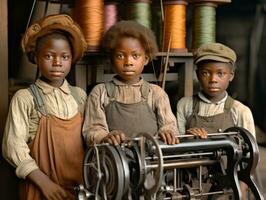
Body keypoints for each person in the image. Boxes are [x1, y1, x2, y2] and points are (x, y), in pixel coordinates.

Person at [2, 14, 87, 200]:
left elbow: (90, 137)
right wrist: (43, 182)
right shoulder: (25, 98)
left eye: (64, 56)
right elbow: (12, 147)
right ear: (36, 58)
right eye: (49, 56)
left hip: (78, 189)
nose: (57, 62)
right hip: (41, 189)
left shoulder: (79, 96)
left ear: (72, 59)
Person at [176, 42, 256, 199]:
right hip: (191, 184)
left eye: (220, 74)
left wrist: (242, 189)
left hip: (228, 187)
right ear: (197, 74)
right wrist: (187, 136)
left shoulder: (240, 111)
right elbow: (175, 146)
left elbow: (251, 157)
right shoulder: (185, 105)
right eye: (206, 73)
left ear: (231, 75)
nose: (213, 79)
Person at [82, 20, 179, 146]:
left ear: (146, 59)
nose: (128, 62)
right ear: (111, 60)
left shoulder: (156, 93)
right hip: (114, 163)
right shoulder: (100, 92)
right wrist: (105, 137)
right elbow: (92, 130)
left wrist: (167, 132)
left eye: (135, 55)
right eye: (121, 56)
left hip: (150, 162)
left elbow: (170, 126)